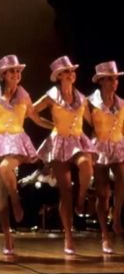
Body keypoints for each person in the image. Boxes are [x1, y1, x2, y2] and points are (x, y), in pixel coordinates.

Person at [0, 55, 52, 255]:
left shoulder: (24, 96)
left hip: (17, 142)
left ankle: (16, 198)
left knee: (5, 167)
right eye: (12, 71)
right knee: (0, 193)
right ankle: (7, 236)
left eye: (18, 71)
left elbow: (35, 118)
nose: (16, 74)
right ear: (3, 75)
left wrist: (55, 126)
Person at [34, 56, 96, 255]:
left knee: (86, 164)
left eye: (72, 71)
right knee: (65, 190)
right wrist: (47, 124)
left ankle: (82, 198)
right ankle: (68, 236)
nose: (71, 74)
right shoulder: (51, 96)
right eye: (67, 72)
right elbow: (30, 111)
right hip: (59, 142)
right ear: (59, 76)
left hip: (77, 140)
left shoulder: (81, 98)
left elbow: (92, 121)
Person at [87, 61, 124, 254]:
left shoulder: (122, 103)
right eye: (110, 79)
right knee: (103, 194)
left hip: (118, 144)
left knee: (122, 178)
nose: (114, 82)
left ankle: (116, 217)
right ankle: (105, 235)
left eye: (115, 79)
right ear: (101, 81)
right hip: (99, 146)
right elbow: (82, 126)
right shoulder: (89, 102)